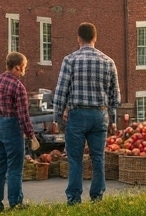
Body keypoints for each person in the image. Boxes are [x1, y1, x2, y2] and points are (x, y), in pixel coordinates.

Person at [52, 22, 121, 205]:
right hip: (99, 115)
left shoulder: (70, 60)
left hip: (77, 114)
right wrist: (112, 117)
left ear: (78, 38)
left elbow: (61, 91)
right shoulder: (108, 62)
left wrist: (57, 116)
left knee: (75, 159)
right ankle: (97, 196)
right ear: (95, 38)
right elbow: (115, 97)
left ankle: (74, 197)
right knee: (98, 158)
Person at [0, 51, 37, 212]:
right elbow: (23, 115)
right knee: (15, 168)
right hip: (11, 125)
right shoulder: (18, 86)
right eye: (24, 67)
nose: (24, 70)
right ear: (17, 67)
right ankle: (15, 202)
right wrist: (31, 134)